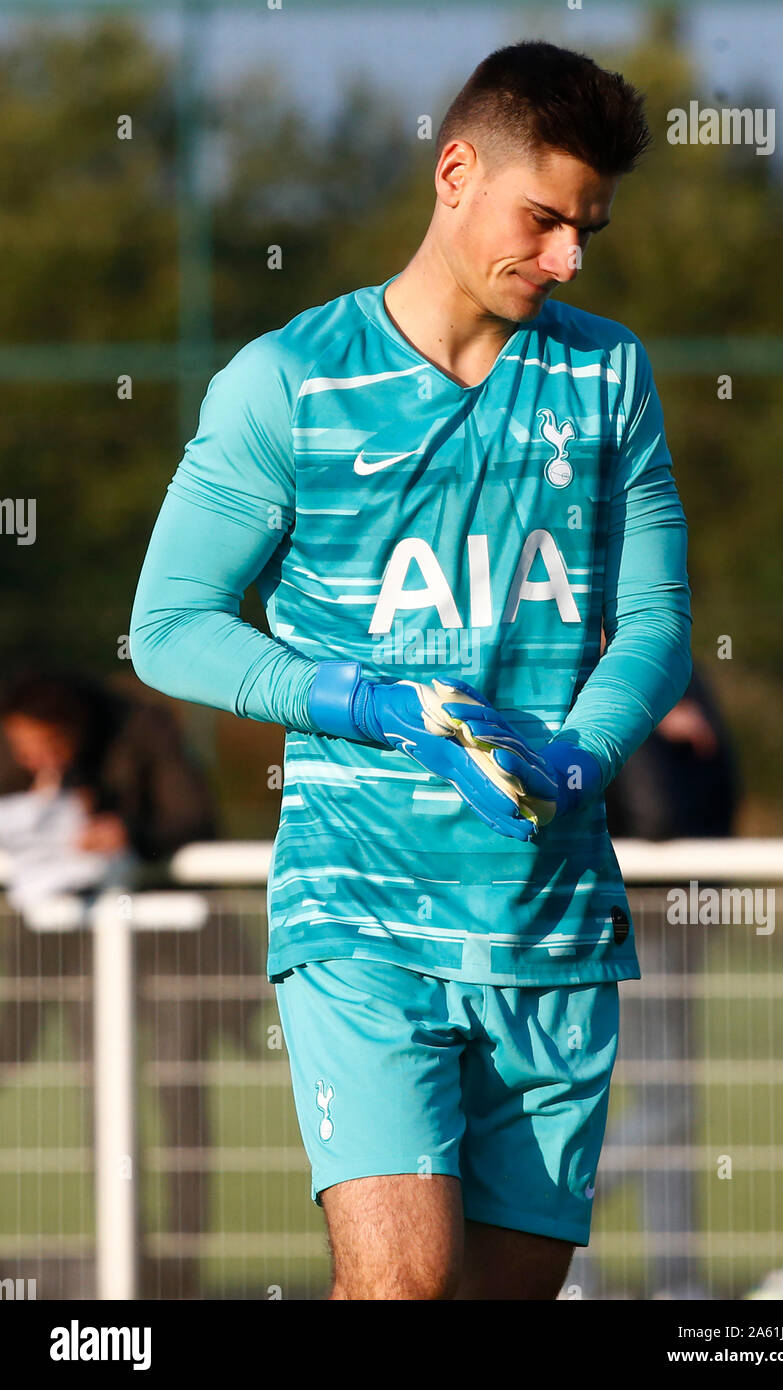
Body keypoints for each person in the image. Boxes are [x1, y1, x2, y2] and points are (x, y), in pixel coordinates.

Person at [130, 42, 692, 1301]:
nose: (569, 259)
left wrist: (581, 751)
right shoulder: (287, 381)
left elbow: (655, 622)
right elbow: (168, 623)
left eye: (587, 229)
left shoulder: (609, 376)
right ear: (455, 171)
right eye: (544, 218)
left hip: (550, 924)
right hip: (360, 907)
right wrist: (366, 702)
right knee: (400, 1294)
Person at [0, 670, 251, 1299]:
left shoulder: (142, 728)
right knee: (103, 1109)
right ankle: (128, 1269)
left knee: (179, 1104)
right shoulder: (18, 754)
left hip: (168, 952)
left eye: (43, 748)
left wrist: (126, 834)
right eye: (22, 750)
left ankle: (180, 1275)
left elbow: (194, 820)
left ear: (73, 729)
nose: (33, 761)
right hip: (77, 954)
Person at [574, 666, 739, 1299]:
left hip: (670, 912)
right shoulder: (620, 666)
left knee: (670, 1104)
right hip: (648, 914)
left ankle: (678, 1280)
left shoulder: (662, 658)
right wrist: (651, 722)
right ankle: (558, 1220)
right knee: (669, 1106)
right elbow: (656, 815)